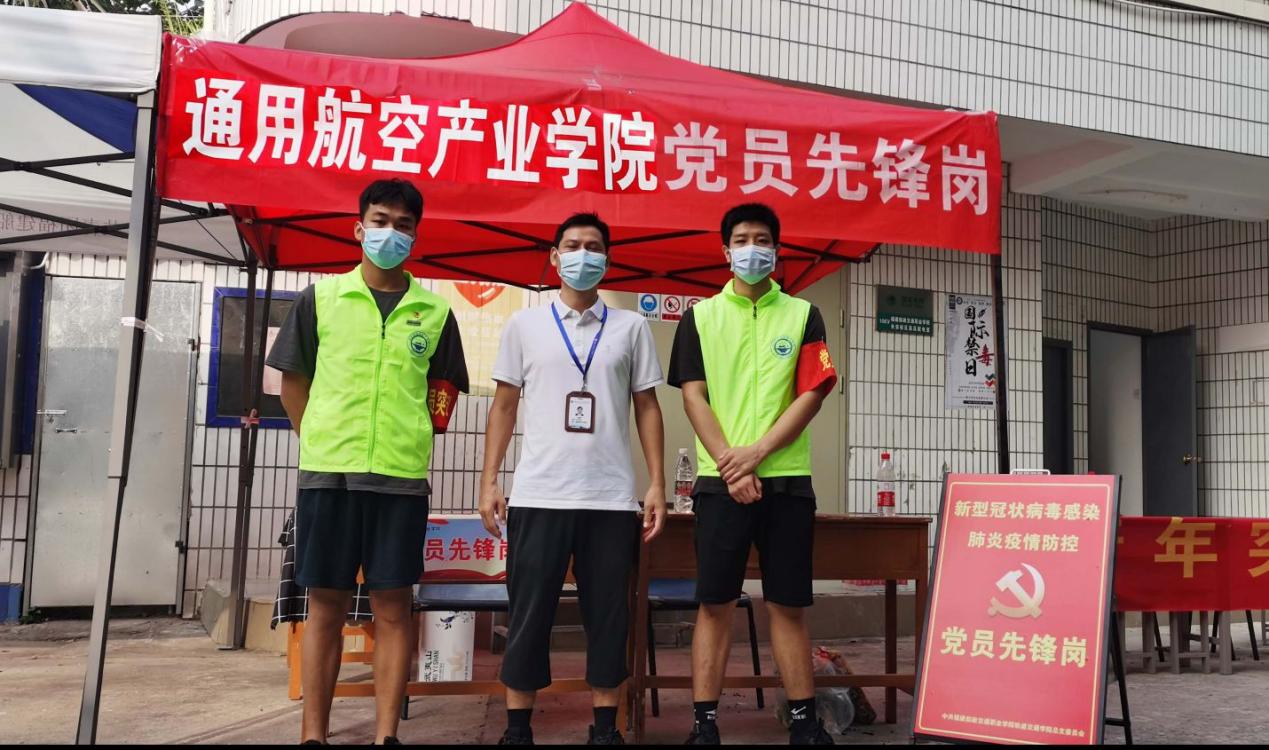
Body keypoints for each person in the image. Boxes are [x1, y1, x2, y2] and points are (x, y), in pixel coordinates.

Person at [268, 178, 469, 746]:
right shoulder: (320, 299)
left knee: (393, 606)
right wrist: (319, 437)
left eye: (403, 225)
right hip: (328, 476)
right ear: (358, 229)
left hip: (399, 480)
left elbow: (444, 391)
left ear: (416, 237)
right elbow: (292, 382)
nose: (390, 233)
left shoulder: (434, 312)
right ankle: (314, 735)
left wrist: (413, 433)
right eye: (380, 221)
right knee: (325, 605)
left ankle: (386, 736)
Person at [479, 213, 667, 746]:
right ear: (555, 256)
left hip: (609, 498)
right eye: (573, 245)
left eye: (594, 247)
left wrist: (656, 482)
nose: (583, 255)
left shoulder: (631, 327)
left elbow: (647, 406)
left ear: (607, 259)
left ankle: (605, 728)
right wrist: (489, 480)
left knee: (608, 616)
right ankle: (518, 729)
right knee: (528, 615)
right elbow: (504, 406)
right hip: (539, 494)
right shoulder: (524, 326)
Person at [668, 203, 839, 746]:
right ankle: (704, 725)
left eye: (761, 239)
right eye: (741, 239)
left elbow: (812, 393)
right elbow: (693, 396)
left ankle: (805, 723)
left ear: (776, 250)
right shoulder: (699, 317)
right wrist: (729, 463)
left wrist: (757, 453)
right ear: (725, 251)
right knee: (715, 603)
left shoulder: (804, 314)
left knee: (788, 604)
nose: (751, 249)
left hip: (787, 479)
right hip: (720, 484)